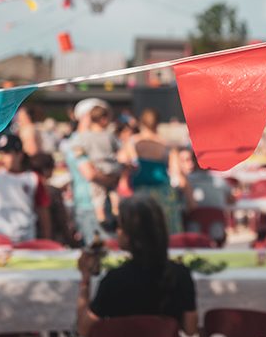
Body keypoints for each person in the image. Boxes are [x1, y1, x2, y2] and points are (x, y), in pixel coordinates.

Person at [45, 194, 198, 337]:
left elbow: (83, 329)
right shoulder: (180, 275)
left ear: (132, 236)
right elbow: (190, 329)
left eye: (120, 226)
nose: (117, 231)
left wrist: (85, 281)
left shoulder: (116, 280)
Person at [63, 99, 122, 245]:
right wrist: (113, 178)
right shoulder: (77, 141)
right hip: (89, 206)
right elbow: (89, 174)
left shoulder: (99, 137)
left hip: (97, 204)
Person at [0, 134, 51, 243]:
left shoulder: (33, 178)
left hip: (25, 236)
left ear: (19, 155)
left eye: (7, 153)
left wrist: (46, 237)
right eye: (2, 153)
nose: (3, 158)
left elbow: (43, 210)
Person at [126, 108, 185, 235]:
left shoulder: (133, 142)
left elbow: (125, 163)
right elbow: (176, 172)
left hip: (141, 190)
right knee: (167, 228)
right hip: (164, 191)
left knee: (143, 229)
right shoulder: (166, 144)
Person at [175, 147, 231, 243]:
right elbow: (231, 199)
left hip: (193, 232)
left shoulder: (185, 183)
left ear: (192, 161)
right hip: (217, 232)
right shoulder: (220, 181)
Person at [31, 152, 76, 246]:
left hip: (31, 238)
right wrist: (71, 241)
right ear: (46, 169)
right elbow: (62, 219)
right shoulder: (52, 191)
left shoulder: (27, 189)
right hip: (52, 241)